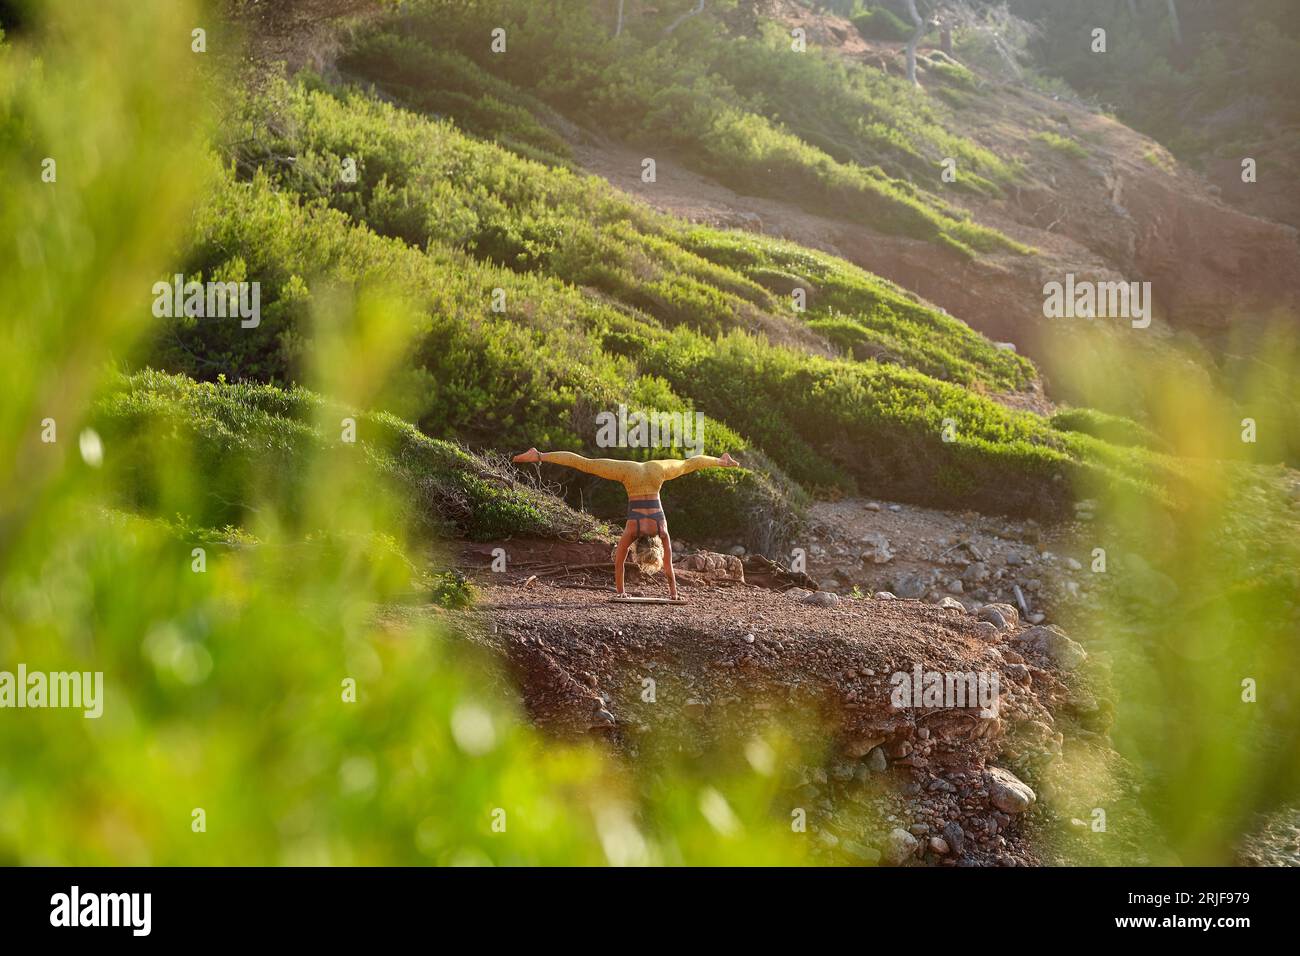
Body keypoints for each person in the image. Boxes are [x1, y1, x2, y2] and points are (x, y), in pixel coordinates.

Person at [512, 448, 739, 600]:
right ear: (637, 549)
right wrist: (621, 592)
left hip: (653, 472)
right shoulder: (633, 530)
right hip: (634, 475)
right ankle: (721, 460)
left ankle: (539, 455)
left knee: (687, 464)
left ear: (655, 546)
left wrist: (674, 593)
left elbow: (668, 567)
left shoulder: (661, 530)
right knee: (586, 464)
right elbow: (619, 562)